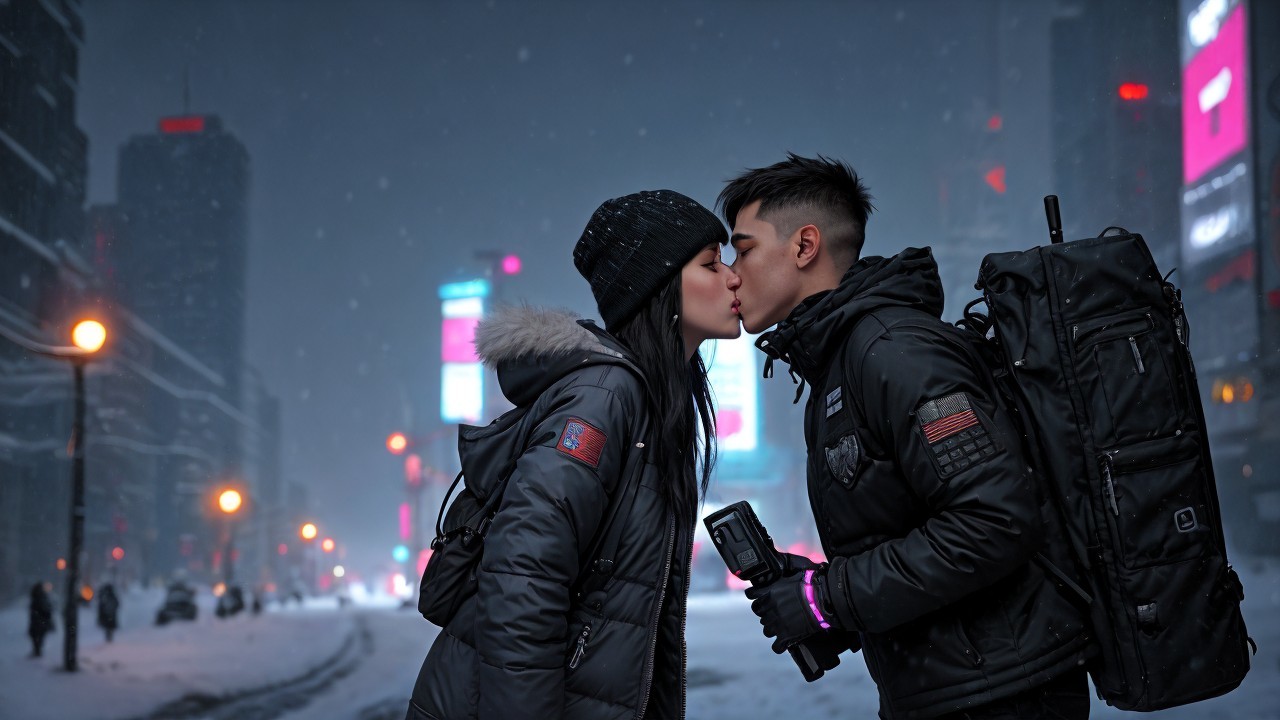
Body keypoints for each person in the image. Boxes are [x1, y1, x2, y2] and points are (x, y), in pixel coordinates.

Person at [717, 154, 1093, 719]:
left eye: (743, 250)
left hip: (1002, 697)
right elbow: (914, 530)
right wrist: (821, 592)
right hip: (956, 692)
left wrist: (828, 597)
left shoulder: (894, 351)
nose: (732, 273)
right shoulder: (842, 361)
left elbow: (993, 522)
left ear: (804, 246)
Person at [406, 189, 742, 720]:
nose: (733, 277)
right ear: (657, 288)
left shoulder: (652, 405)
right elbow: (521, 585)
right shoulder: (603, 400)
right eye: (710, 264)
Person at [27, 582, 54, 658]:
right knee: (38, 637)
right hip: (40, 621)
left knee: (36, 636)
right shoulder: (42, 597)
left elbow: (45, 610)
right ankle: (37, 651)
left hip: (38, 621)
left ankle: (37, 651)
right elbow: (47, 610)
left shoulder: (37, 597)